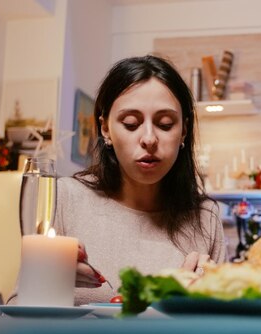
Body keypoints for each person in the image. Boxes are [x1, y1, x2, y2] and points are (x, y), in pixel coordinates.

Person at [54, 55, 226, 305]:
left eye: (165, 124)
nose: (149, 139)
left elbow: (226, 332)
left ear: (184, 131)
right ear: (105, 129)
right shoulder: (67, 198)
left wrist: (210, 298)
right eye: (131, 123)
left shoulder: (205, 217)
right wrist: (47, 278)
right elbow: (17, 311)